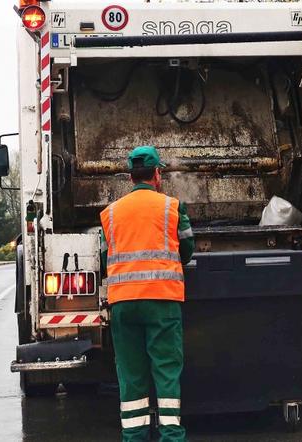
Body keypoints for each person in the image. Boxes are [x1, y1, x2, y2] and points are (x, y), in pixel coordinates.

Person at [99, 145, 194, 442]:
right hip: (162, 300)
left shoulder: (110, 213)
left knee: (131, 375)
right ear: (157, 174)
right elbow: (187, 249)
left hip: (123, 303)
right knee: (166, 372)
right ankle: (171, 437)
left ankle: (134, 437)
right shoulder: (172, 207)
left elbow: (104, 256)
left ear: (130, 177)